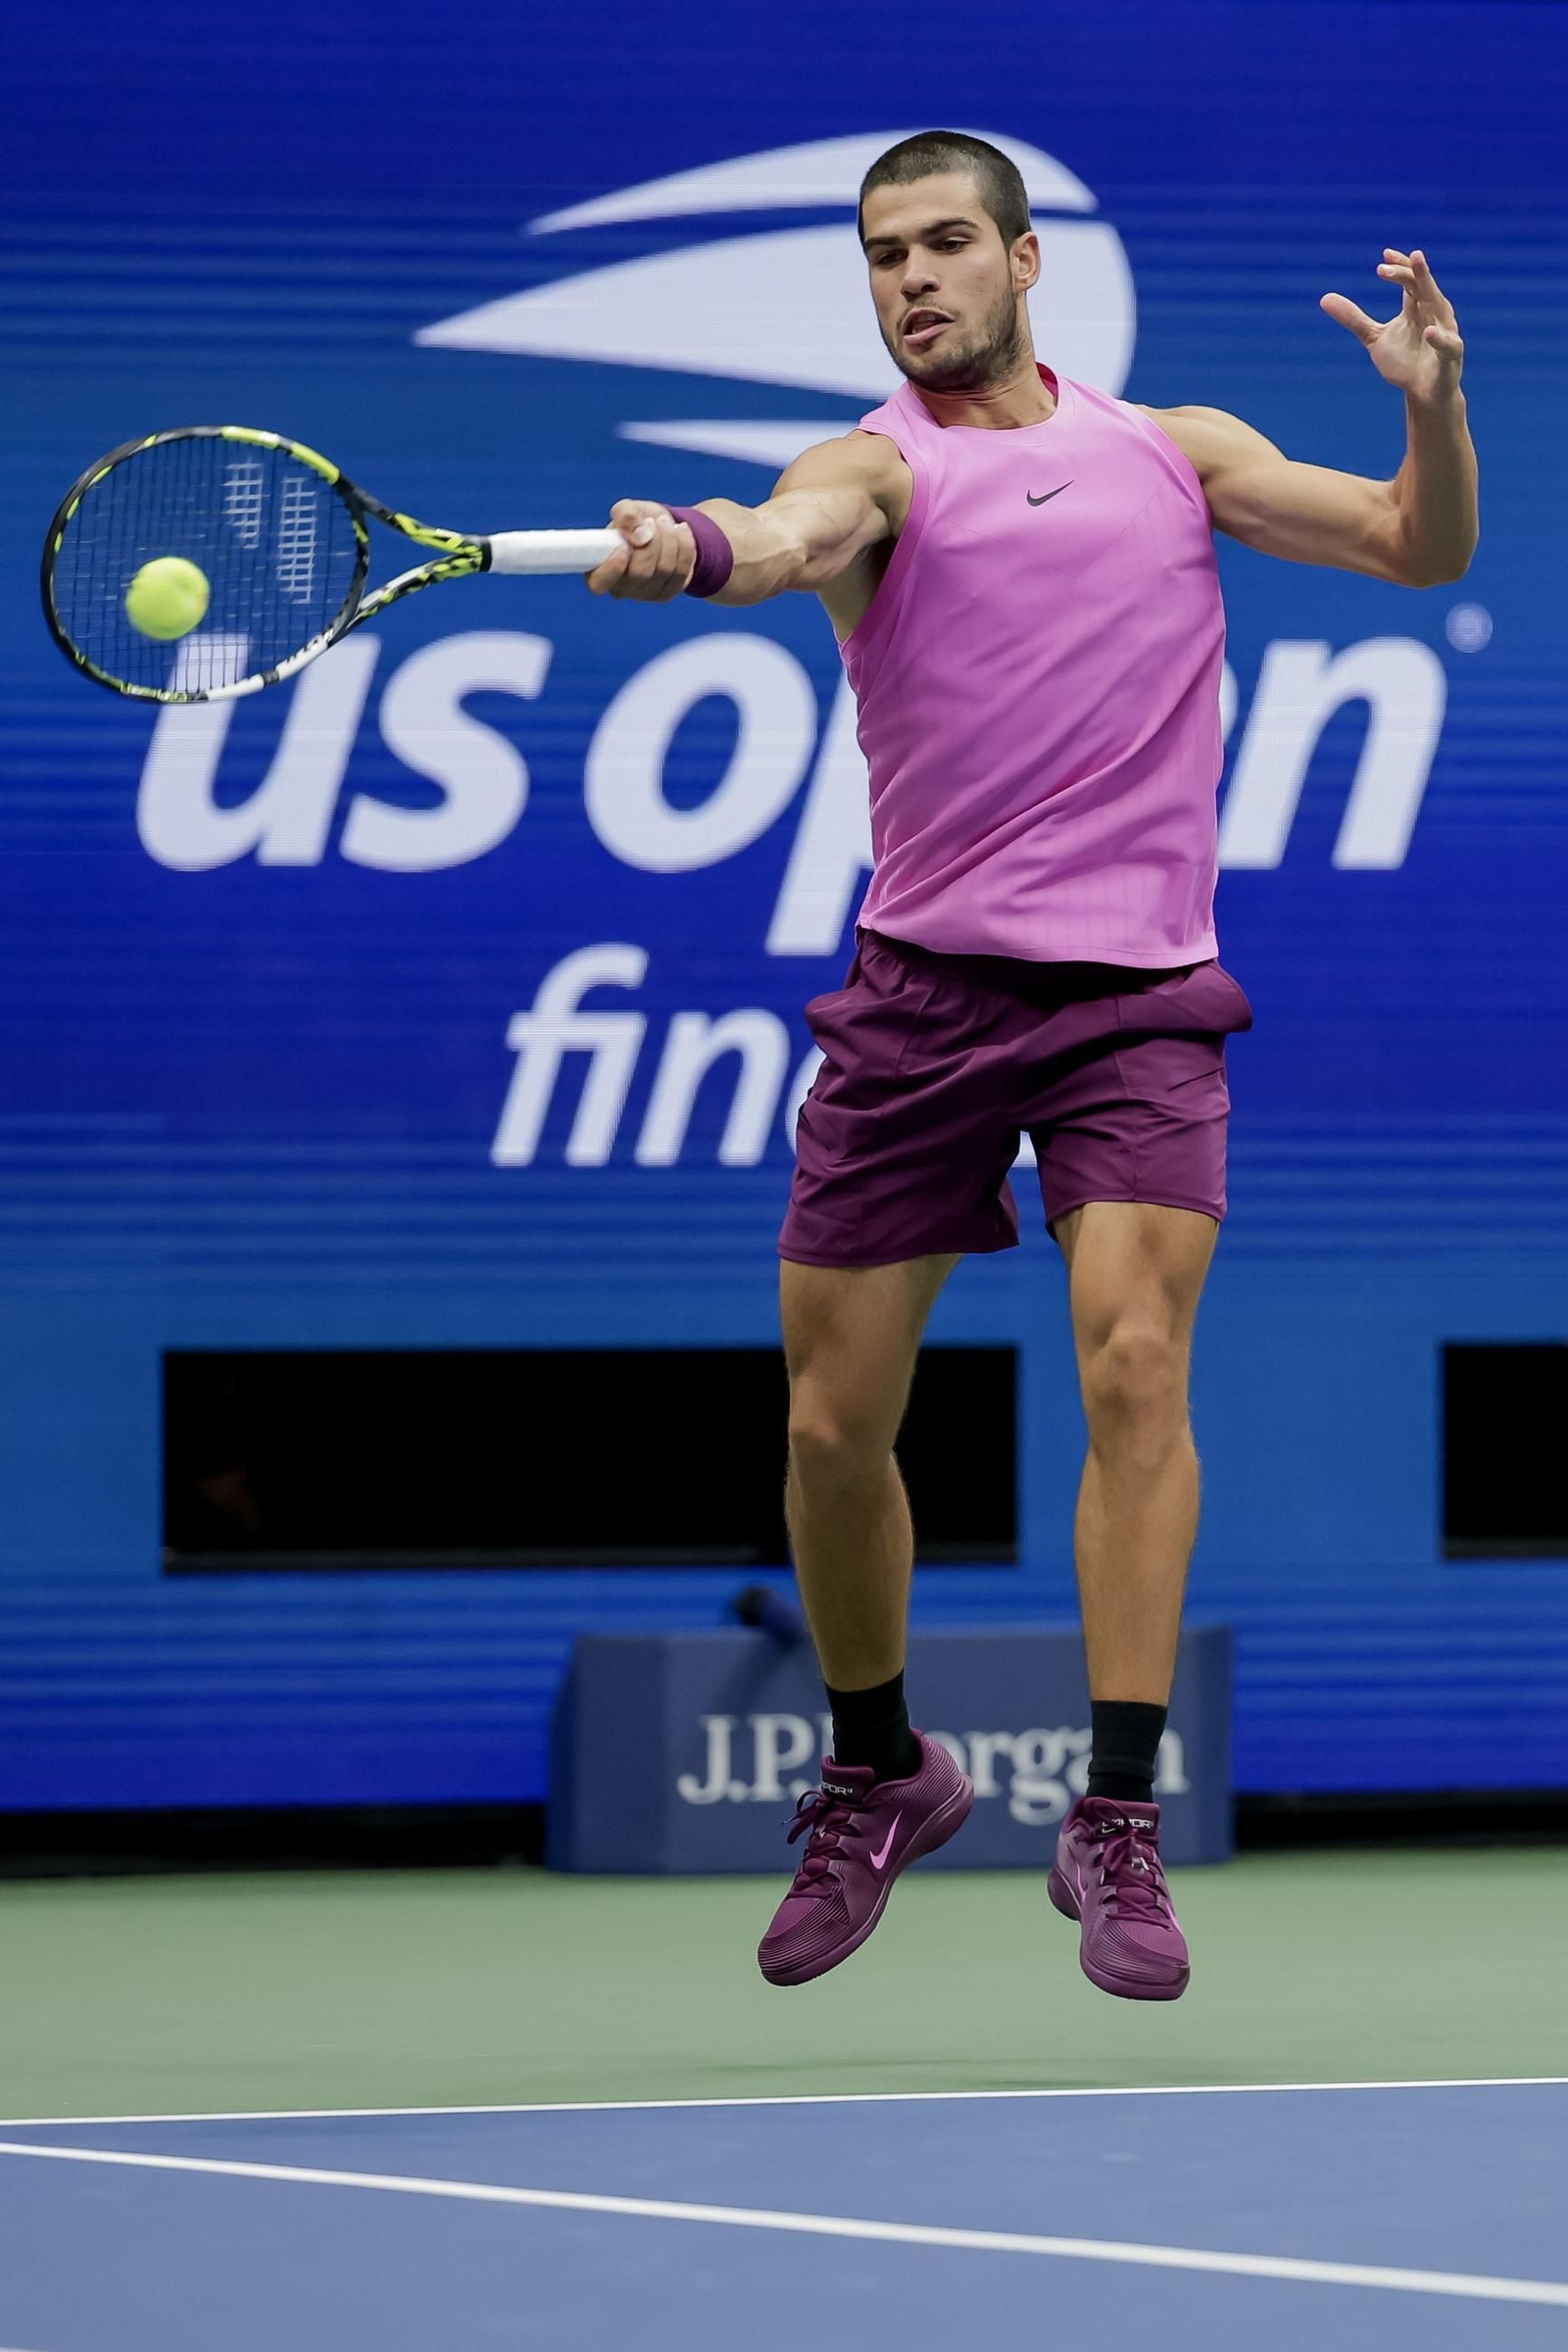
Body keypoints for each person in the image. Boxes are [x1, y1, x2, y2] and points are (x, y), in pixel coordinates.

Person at [588, 131, 1478, 1999]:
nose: (911, 281)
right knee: (833, 1425)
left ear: (1023, 260)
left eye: (941, 247)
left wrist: (1436, 415)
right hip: (922, 996)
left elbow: (1419, 546)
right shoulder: (874, 464)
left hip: (1140, 996)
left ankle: (1120, 1815)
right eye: (882, 257)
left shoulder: (1179, 449)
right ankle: (876, 1768)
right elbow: (792, 536)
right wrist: (698, 551)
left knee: (1137, 1362)